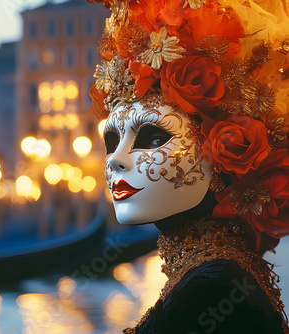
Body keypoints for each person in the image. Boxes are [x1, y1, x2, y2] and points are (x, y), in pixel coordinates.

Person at [87, 0, 289, 332]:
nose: (116, 160)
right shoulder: (213, 275)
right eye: (111, 140)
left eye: (153, 138)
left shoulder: (210, 290)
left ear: (219, 154)